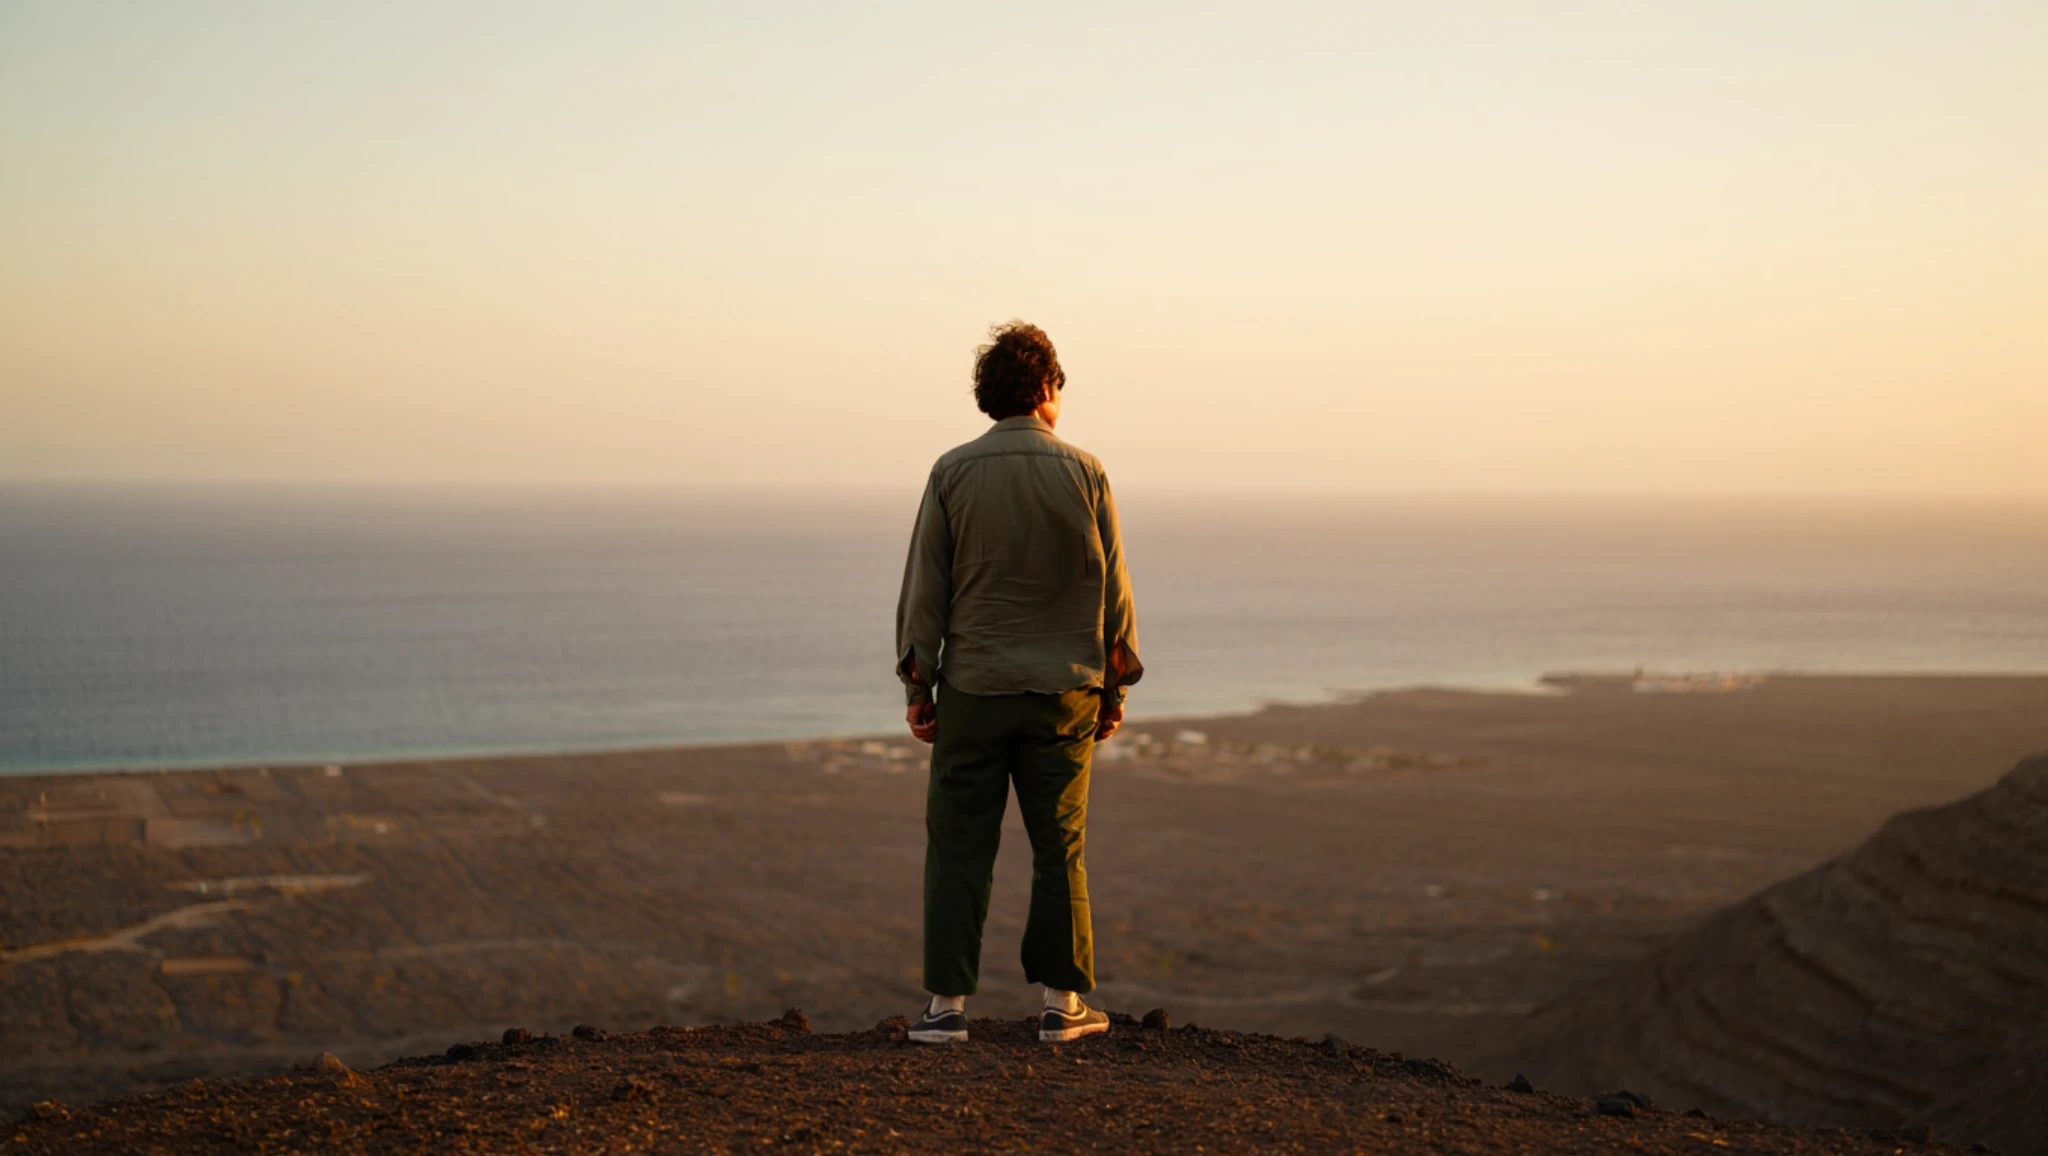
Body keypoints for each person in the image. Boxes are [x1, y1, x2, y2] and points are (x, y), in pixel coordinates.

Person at [894, 320, 1143, 1045]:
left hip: (973, 692)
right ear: (1043, 387)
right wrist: (1115, 689)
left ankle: (945, 1009)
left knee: (958, 844)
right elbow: (1116, 598)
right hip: (1065, 695)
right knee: (1058, 845)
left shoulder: (951, 472)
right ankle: (1062, 1007)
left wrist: (920, 687)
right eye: (1058, 385)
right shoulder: (1087, 472)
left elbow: (924, 595)